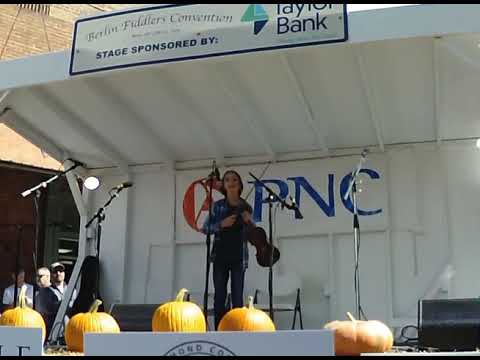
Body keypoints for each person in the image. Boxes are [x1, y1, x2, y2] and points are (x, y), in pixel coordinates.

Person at [202, 170, 254, 330]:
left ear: (239, 185)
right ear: (223, 185)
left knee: (238, 298)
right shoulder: (217, 207)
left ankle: (237, 330)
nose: (231, 182)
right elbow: (205, 228)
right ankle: (219, 331)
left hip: (239, 257)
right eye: (227, 180)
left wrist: (249, 223)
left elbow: (253, 235)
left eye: (235, 180)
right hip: (220, 257)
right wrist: (221, 224)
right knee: (219, 298)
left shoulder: (246, 207)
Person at [36, 262, 77, 342]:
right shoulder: (45, 291)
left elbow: (75, 309)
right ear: (50, 275)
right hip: (52, 333)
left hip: (70, 333)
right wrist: (65, 304)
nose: (58, 273)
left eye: (61, 271)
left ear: (64, 273)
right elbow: (48, 309)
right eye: (55, 272)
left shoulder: (72, 290)